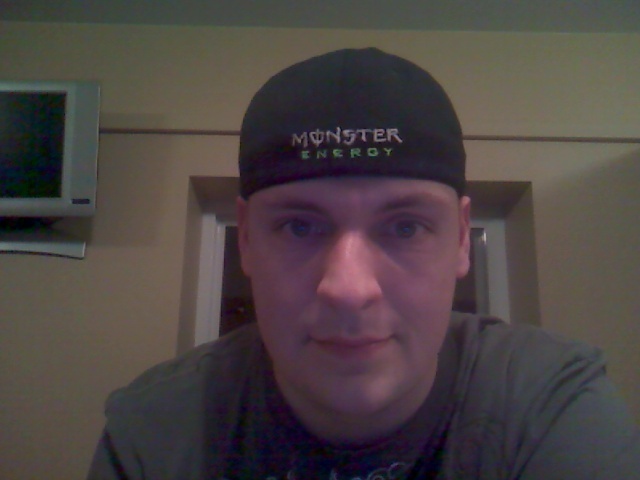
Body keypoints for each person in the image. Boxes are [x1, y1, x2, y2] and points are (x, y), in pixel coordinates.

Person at [87, 48, 639, 479]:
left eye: (405, 227)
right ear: (247, 240)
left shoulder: (548, 407)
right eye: (300, 226)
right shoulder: (156, 430)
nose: (348, 289)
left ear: (461, 240)